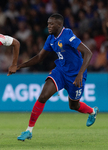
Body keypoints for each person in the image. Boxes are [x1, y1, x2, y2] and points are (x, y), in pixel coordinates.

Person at [14, 13, 99, 141]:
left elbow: (88, 52)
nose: (48, 26)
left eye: (51, 24)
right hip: (60, 71)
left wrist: (80, 73)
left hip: (75, 75)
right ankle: (29, 130)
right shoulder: (51, 39)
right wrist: (19, 66)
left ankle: (92, 111)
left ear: (59, 25)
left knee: (73, 106)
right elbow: (39, 57)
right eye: (48, 23)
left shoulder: (68, 35)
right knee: (43, 96)